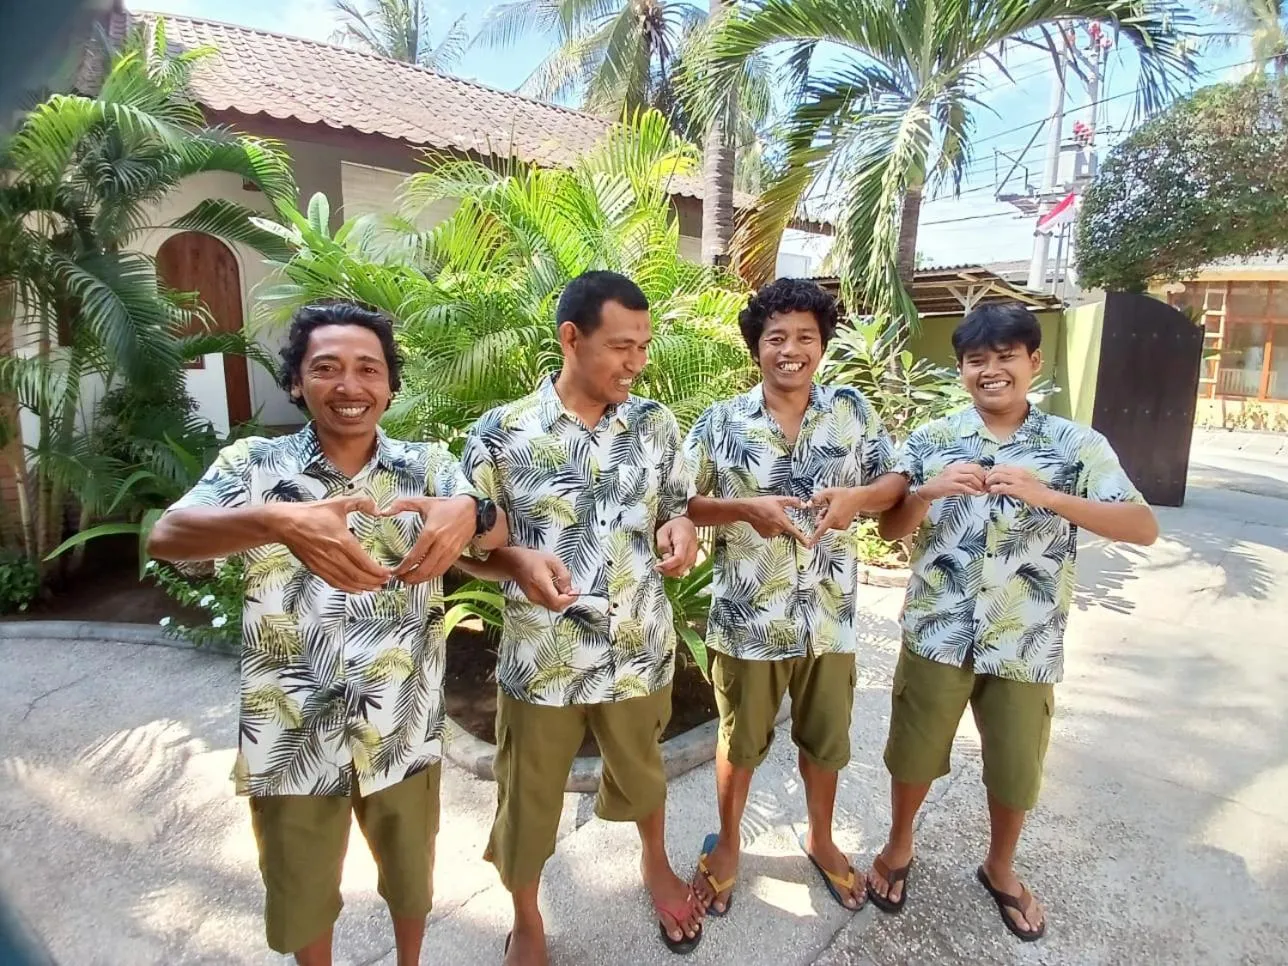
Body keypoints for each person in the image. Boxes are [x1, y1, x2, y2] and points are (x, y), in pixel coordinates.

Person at [147, 302, 506, 966]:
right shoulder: (255, 465)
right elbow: (167, 537)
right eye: (326, 368)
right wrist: (278, 521)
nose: (349, 385)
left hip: (401, 728)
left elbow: (495, 532)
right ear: (296, 381)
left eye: (369, 369)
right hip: (292, 733)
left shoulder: (427, 465)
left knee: (411, 880)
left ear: (390, 386)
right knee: (303, 894)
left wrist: (468, 508)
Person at [866, 302, 1159, 941]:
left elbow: (1142, 527)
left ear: (1034, 362)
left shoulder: (1076, 445)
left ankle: (999, 867)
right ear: (961, 370)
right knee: (913, 752)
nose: (991, 370)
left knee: (1016, 766)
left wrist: (1047, 496)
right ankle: (898, 846)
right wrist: (927, 491)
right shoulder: (932, 439)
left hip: (1026, 640)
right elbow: (890, 530)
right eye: (977, 360)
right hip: (937, 631)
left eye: (1006, 357)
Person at [456, 270, 703, 964]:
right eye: (622, 346)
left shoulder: (654, 425)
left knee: (644, 773)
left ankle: (655, 864)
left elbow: (677, 505)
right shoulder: (502, 434)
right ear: (571, 338)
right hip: (543, 663)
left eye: (644, 346)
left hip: (638, 650)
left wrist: (683, 527)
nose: (637, 362)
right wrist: (514, 561)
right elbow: (470, 550)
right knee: (527, 798)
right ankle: (527, 917)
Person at [682, 277, 905, 916]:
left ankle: (822, 839)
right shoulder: (722, 422)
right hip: (749, 619)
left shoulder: (852, 411)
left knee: (827, 741)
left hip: (830, 618)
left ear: (822, 344)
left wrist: (857, 498)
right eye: (776, 337)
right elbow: (683, 501)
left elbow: (895, 480)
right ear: (757, 346)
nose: (790, 350)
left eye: (805, 337)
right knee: (740, 741)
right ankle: (729, 845)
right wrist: (742, 509)